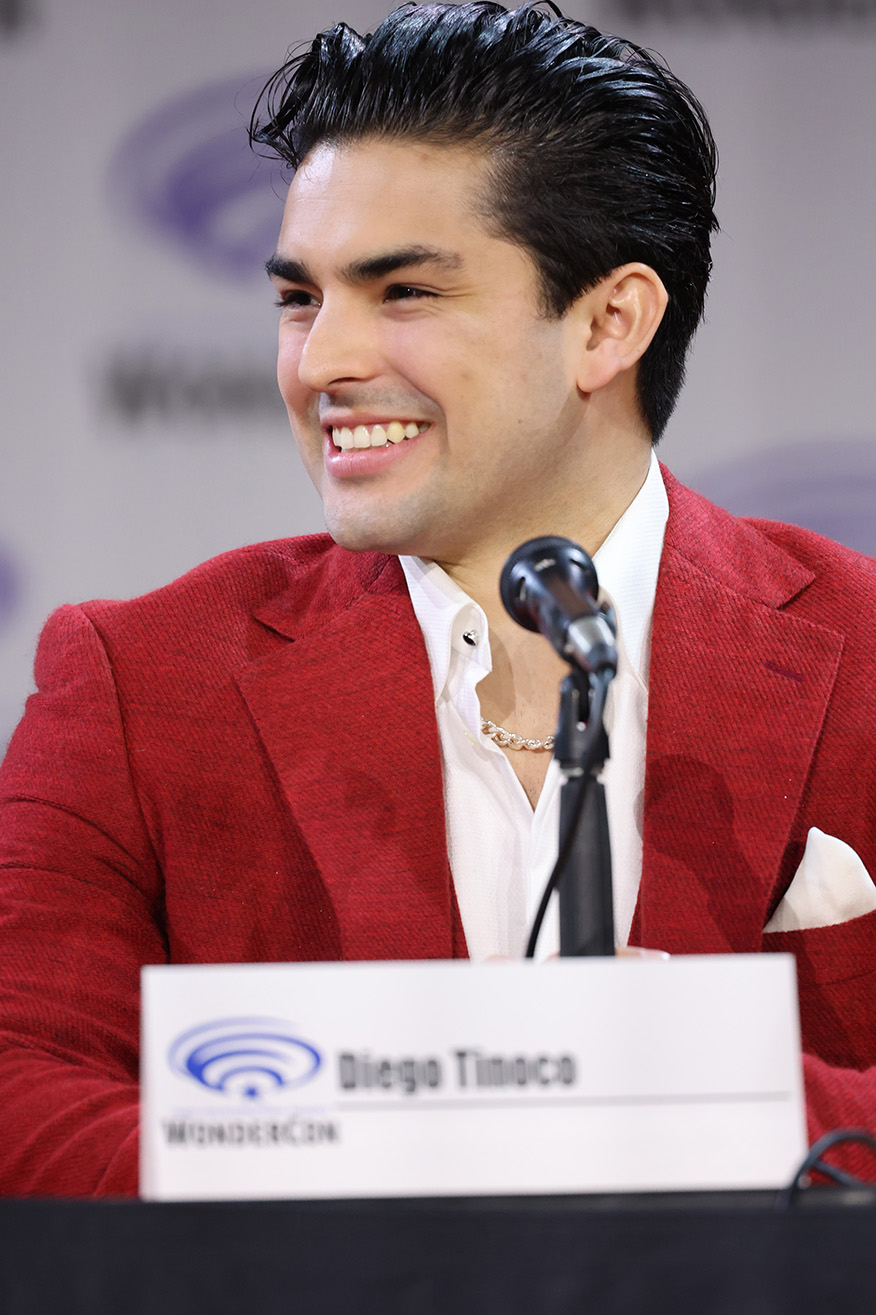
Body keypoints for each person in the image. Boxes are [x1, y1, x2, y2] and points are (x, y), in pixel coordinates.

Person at [2, 1, 876, 1199]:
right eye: (299, 298)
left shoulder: (864, 648)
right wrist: (445, 1113)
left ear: (608, 322)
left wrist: (690, 1072)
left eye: (402, 291)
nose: (319, 362)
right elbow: (23, 1096)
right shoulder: (139, 679)